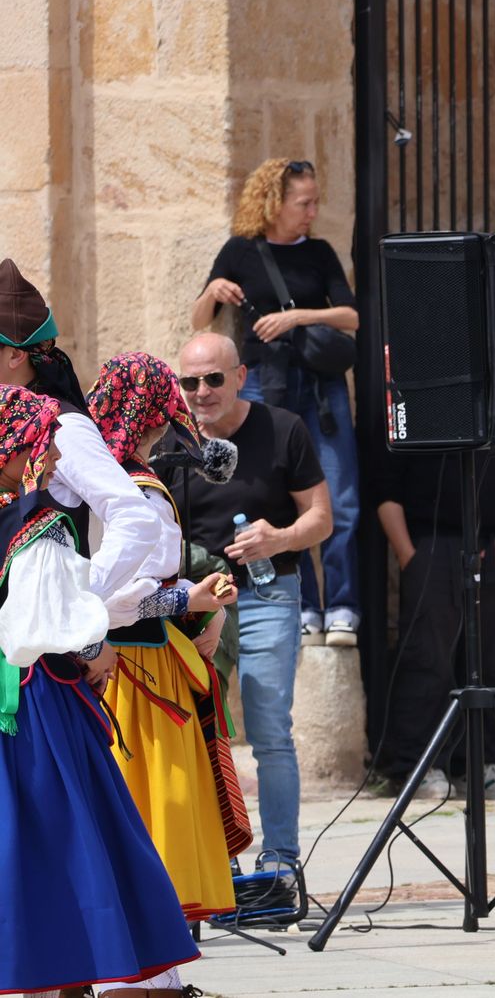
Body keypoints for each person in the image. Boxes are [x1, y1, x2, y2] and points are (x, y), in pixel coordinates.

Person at [0, 385, 202, 995]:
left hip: (18, 694)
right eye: (45, 445)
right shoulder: (40, 526)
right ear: (15, 448)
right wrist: (94, 647)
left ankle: (52, 972)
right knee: (70, 838)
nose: (57, 458)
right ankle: (69, 971)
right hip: (39, 703)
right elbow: (46, 617)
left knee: (33, 838)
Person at [158, 332, 333, 880]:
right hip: (193, 604)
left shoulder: (283, 429)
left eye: (213, 379)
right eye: (189, 381)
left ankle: (280, 859)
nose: (201, 392)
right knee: (193, 728)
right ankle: (214, 860)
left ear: (240, 376)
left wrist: (278, 538)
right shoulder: (169, 443)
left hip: (265, 594)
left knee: (268, 728)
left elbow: (322, 519)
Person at [90, 353, 248, 940]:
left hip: (108, 668)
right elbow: (128, 599)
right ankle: (145, 969)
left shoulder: (85, 479)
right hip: (136, 672)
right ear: (156, 415)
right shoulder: (137, 492)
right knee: (157, 812)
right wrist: (194, 603)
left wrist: (199, 595)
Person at [192, 157, 361, 647]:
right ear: (274, 202)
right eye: (302, 202)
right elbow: (200, 318)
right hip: (264, 384)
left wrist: (295, 318)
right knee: (279, 496)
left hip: (320, 389)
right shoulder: (241, 251)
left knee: (340, 497)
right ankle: (307, 606)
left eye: (313, 201)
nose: (311, 211)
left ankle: (344, 605)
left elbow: (351, 315)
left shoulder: (321, 252)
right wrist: (213, 290)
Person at [373, 406, 495, 800]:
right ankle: (420, 766)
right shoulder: (410, 397)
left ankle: (481, 764)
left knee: (487, 657)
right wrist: (407, 554)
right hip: (428, 543)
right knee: (426, 658)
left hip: (492, 541)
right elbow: (386, 483)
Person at [0, 257, 164, 625]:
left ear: (15, 354)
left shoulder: (64, 426)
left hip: (39, 660)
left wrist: (75, 604)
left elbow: (136, 517)